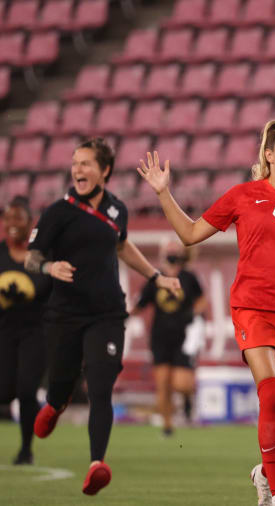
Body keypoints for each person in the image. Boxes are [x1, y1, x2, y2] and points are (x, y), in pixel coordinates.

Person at [138, 120, 275, 506]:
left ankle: (265, 473)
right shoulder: (243, 195)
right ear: (269, 155)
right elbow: (191, 234)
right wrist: (163, 193)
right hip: (253, 308)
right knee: (271, 393)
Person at [25, 137, 182, 496]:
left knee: (100, 387)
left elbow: (122, 245)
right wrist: (49, 266)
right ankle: (55, 402)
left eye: (86, 163)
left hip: (107, 314)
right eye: (75, 163)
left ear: (104, 170)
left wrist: (156, 276)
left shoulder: (117, 210)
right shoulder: (58, 212)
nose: (78, 169)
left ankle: (97, 464)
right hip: (64, 315)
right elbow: (31, 257)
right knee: (63, 383)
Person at [131, 238, 206, 437]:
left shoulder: (189, 277)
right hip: (160, 337)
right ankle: (167, 426)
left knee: (182, 384)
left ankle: (188, 400)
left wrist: (194, 315)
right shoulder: (155, 278)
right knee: (162, 383)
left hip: (184, 337)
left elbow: (201, 301)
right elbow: (140, 303)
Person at [0, 196, 52, 465]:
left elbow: (53, 290)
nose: (11, 223)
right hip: (5, 333)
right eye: (7, 217)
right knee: (5, 391)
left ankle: (25, 450)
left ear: (30, 222)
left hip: (36, 333)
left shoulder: (41, 255)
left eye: (17, 218)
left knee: (27, 390)